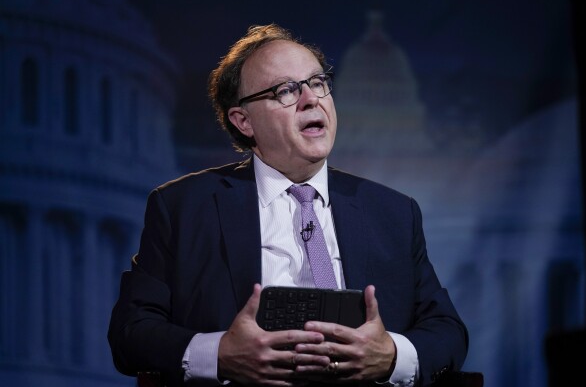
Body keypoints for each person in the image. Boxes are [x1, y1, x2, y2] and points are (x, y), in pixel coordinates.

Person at [108, 23, 468, 387]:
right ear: (244, 121)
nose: (311, 99)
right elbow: (131, 333)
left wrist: (390, 356)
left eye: (317, 83)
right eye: (286, 90)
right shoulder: (183, 208)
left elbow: (447, 332)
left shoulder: (393, 213)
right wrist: (222, 355)